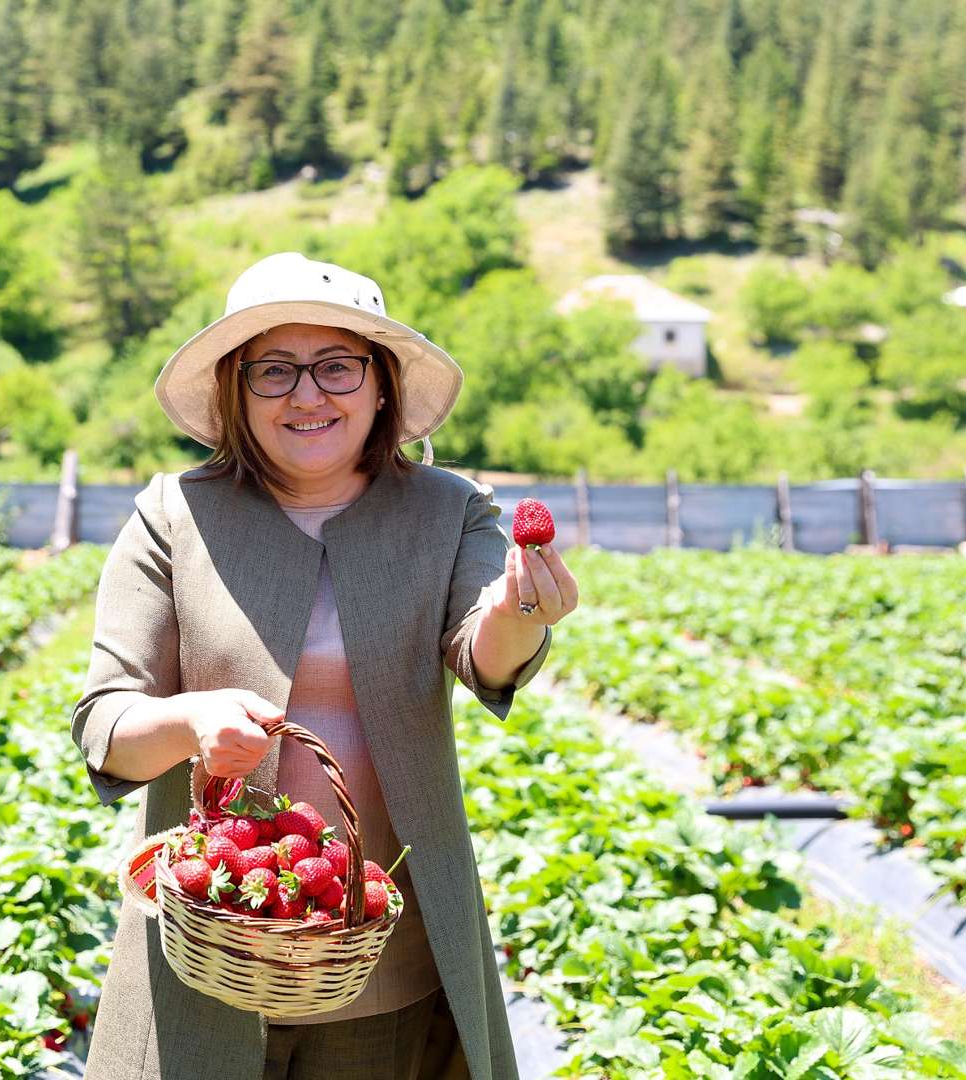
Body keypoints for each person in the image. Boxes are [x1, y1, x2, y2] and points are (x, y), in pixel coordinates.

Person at [71, 251, 580, 1080]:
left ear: (380, 384)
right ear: (236, 392)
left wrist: (521, 608)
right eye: (272, 371)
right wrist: (190, 720)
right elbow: (106, 728)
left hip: (382, 948)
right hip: (210, 937)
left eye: (336, 366)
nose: (307, 395)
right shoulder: (175, 515)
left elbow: (485, 655)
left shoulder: (449, 510)